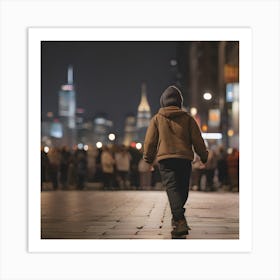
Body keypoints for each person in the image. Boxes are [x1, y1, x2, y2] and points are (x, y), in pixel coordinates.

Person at [143, 85, 208, 236]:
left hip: (166, 159)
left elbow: (150, 141)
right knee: (183, 188)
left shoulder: (157, 119)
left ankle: (178, 218)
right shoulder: (188, 119)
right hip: (184, 158)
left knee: (172, 188)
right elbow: (197, 139)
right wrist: (203, 155)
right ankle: (179, 220)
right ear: (179, 102)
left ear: (163, 102)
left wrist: (148, 158)